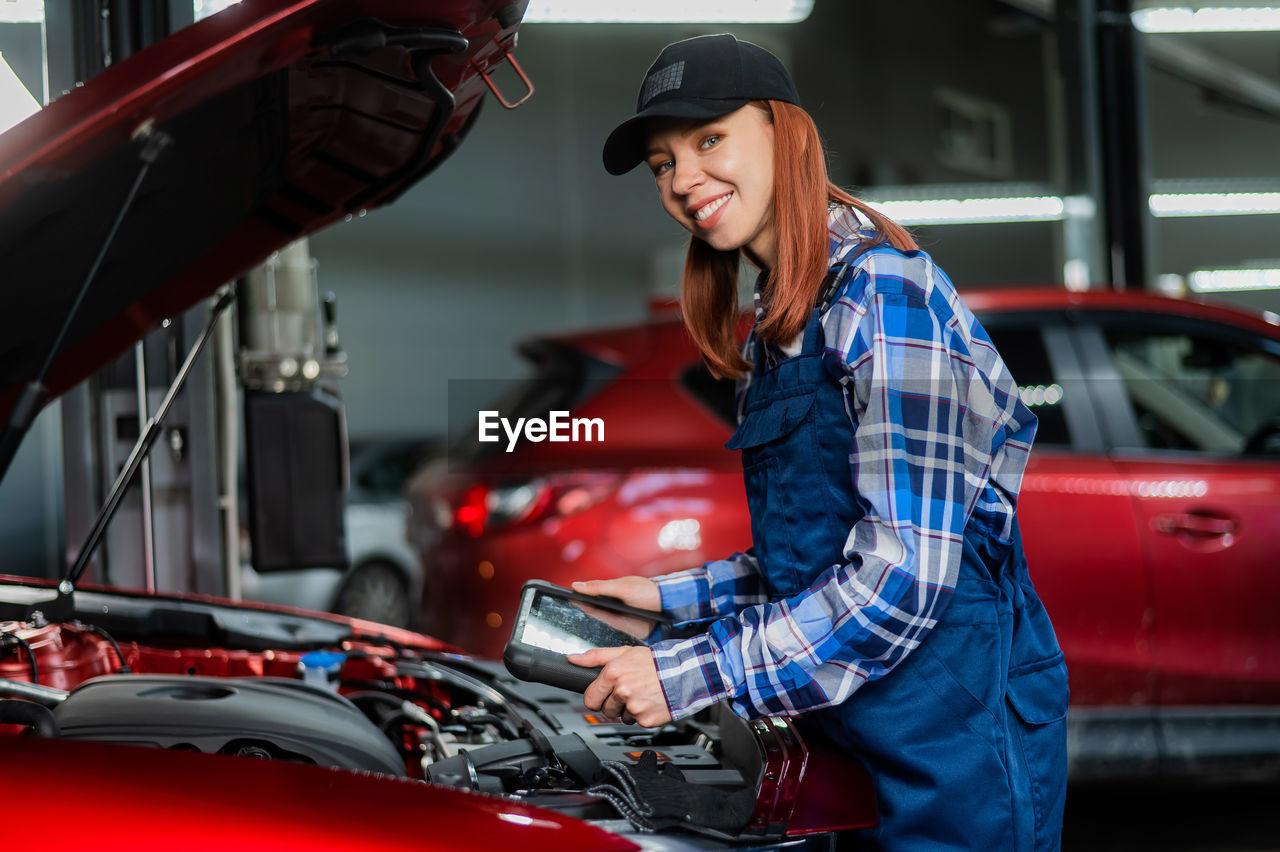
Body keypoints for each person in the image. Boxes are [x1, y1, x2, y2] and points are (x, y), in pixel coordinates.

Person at [568, 33, 1068, 851]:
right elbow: (821, 554)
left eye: (707, 139)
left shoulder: (885, 294)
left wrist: (688, 674)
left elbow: (901, 575)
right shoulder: (784, 317)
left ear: (783, 131)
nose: (683, 179)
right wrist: (667, 604)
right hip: (842, 721)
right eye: (663, 163)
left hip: (952, 738)